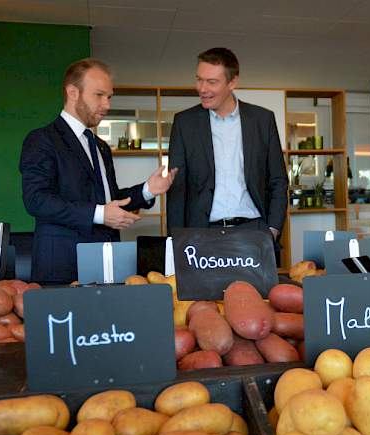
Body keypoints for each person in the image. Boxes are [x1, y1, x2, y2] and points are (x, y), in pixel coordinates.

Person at [20, 58, 177, 285]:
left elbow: (107, 201)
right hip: (62, 265)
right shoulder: (42, 140)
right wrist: (100, 214)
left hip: (107, 263)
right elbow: (36, 200)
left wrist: (147, 190)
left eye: (109, 96)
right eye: (99, 95)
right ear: (73, 92)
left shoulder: (100, 146)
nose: (106, 105)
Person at [166, 48, 288, 249]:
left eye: (212, 82)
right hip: (202, 235)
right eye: (199, 79)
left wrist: (272, 230)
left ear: (232, 82)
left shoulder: (262, 120)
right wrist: (176, 242)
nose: (202, 89)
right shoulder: (184, 123)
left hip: (254, 232)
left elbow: (278, 180)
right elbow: (177, 190)